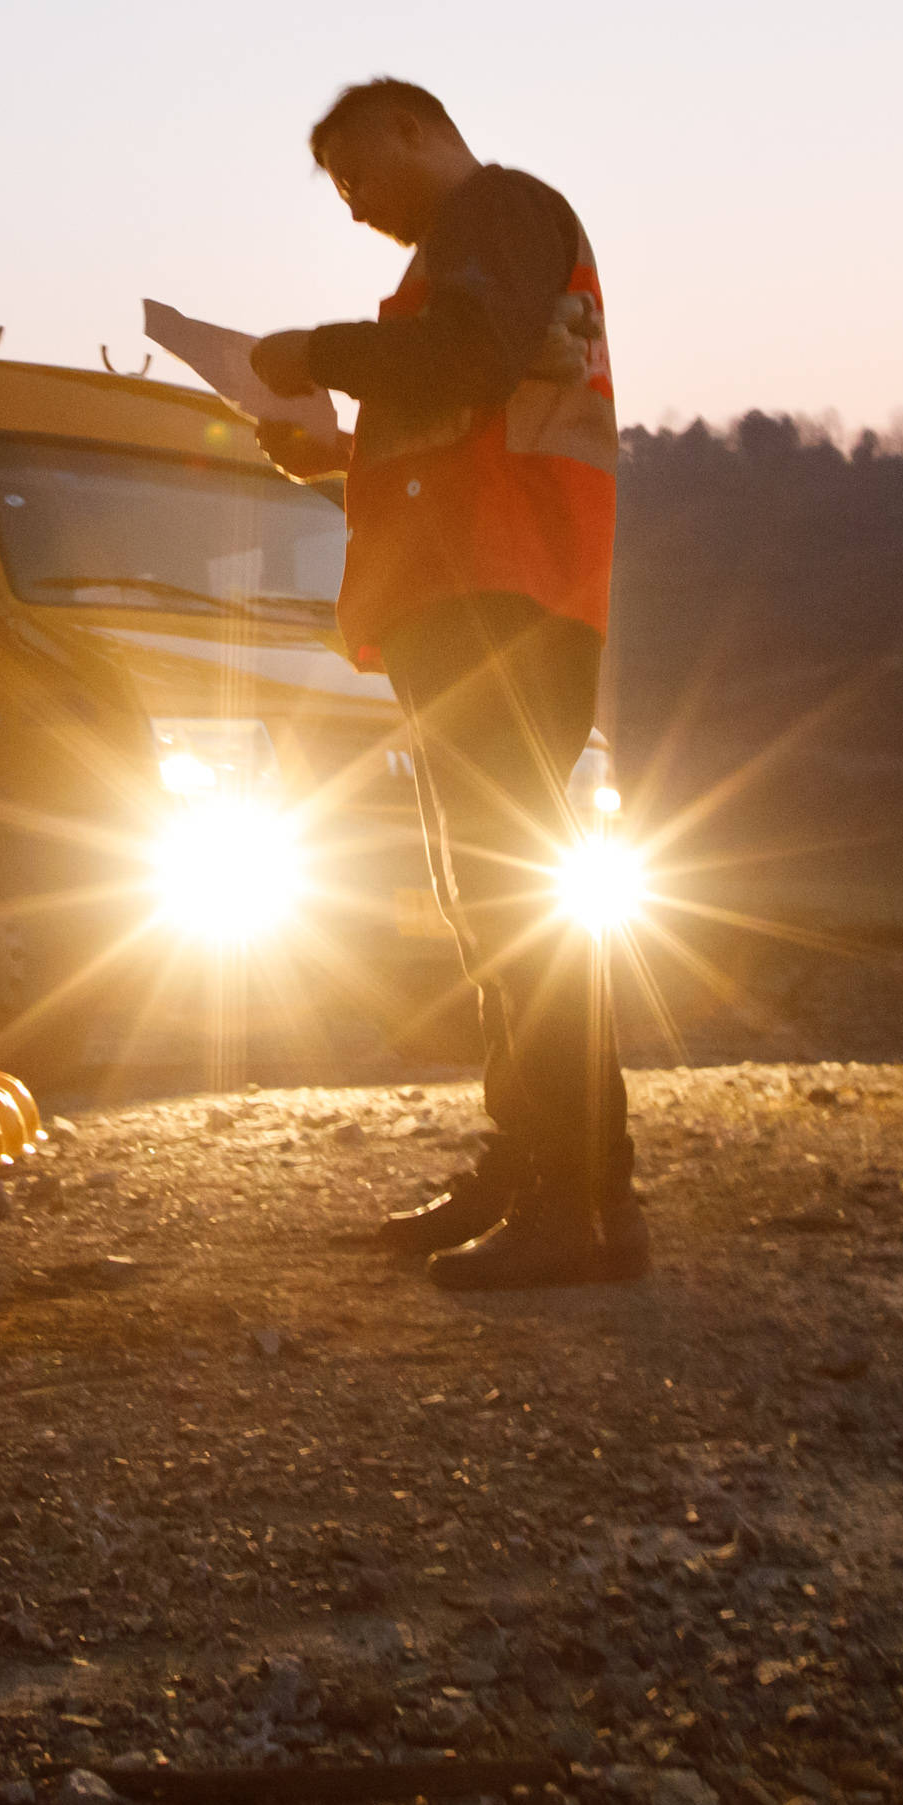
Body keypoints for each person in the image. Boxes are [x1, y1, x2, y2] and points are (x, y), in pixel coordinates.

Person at [247, 77, 639, 1291]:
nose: (354, 206)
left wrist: (314, 353)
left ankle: (577, 1198)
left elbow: (467, 360)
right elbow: (454, 415)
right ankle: (536, 1165)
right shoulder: (457, 261)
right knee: (486, 893)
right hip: (465, 592)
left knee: (512, 890)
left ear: (413, 127)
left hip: (503, 593)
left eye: (357, 173)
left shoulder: (504, 211)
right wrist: (332, 446)